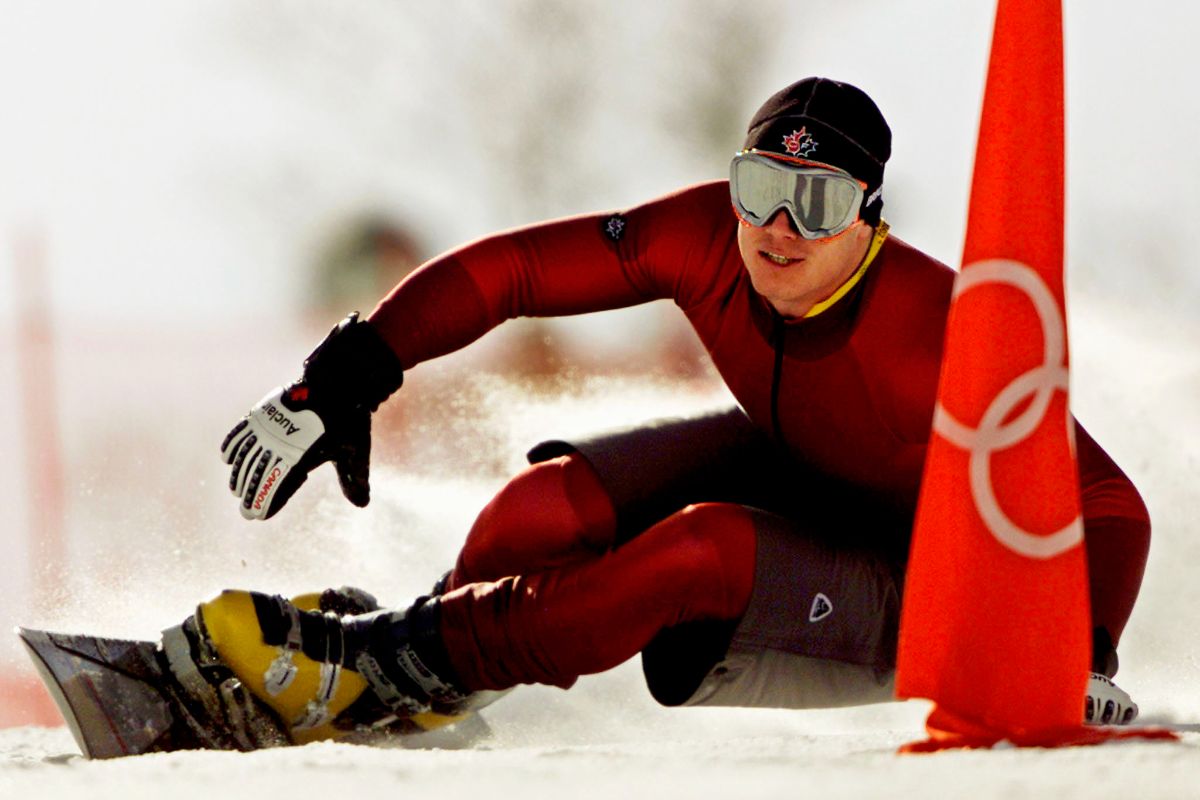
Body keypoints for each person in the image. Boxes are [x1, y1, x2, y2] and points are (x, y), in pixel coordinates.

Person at [211, 77, 1148, 742]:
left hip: (915, 581)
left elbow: (1111, 503)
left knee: (699, 550)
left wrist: (1086, 654)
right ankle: (422, 672)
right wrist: (347, 373)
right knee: (544, 504)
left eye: (817, 203)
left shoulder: (939, 334)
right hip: (796, 464)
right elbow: (516, 271)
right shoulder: (704, 235)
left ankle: (383, 659)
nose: (779, 229)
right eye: (761, 189)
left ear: (868, 215)